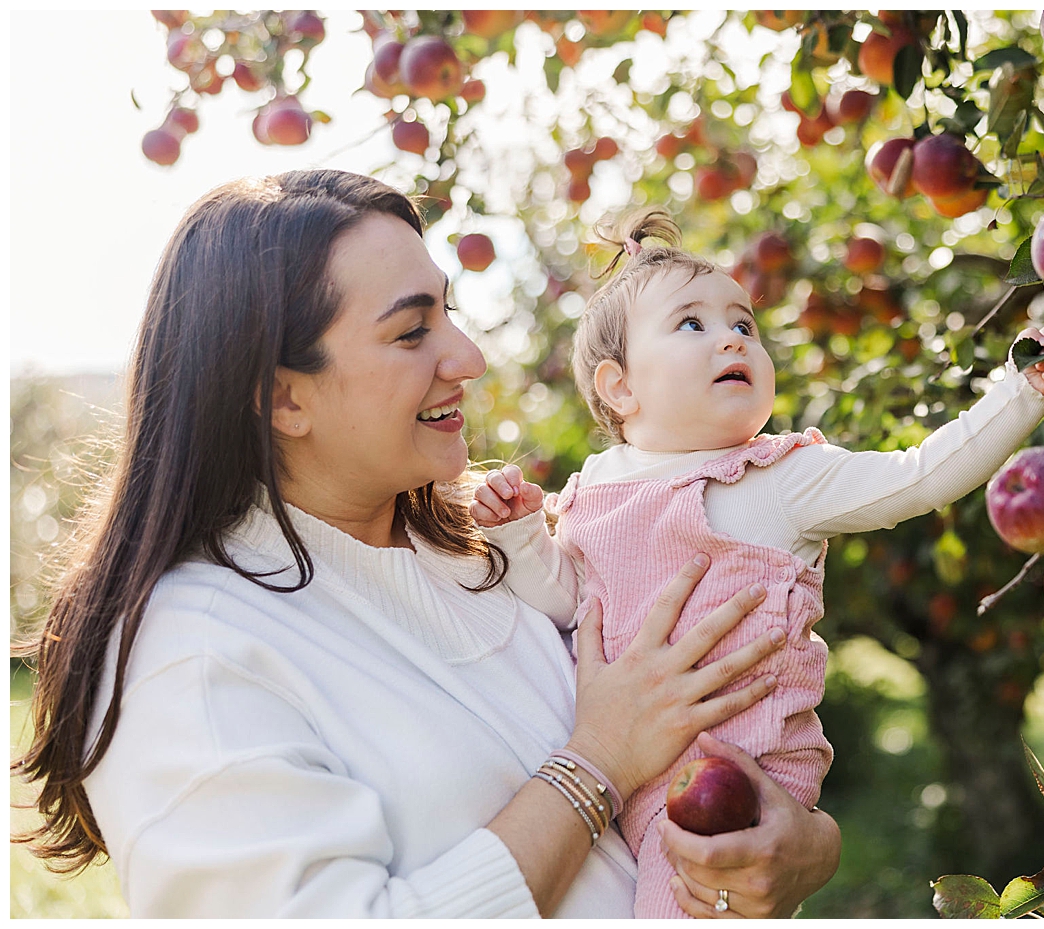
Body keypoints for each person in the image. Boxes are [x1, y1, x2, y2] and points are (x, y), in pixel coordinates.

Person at [11, 170, 840, 918]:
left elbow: (700, 787)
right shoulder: (196, 655)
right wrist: (596, 762)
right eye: (412, 332)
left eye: (451, 313)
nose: (468, 358)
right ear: (281, 398)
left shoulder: (490, 556)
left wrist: (802, 847)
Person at [468, 209, 1044, 918]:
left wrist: (1021, 391)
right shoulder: (594, 489)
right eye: (691, 324)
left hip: (738, 786)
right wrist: (518, 535)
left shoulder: (777, 478)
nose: (732, 334)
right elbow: (567, 602)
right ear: (620, 387)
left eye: (744, 325)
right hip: (624, 771)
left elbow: (919, 476)